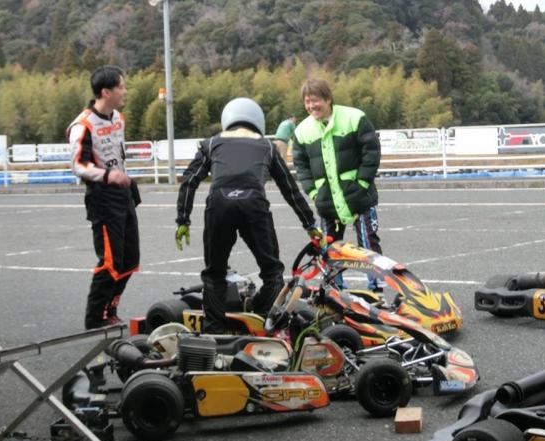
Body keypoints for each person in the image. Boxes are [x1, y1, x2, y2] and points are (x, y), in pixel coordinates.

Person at [175, 97, 323, 334]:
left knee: (214, 274)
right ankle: (260, 315)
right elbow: (290, 190)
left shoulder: (211, 144)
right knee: (273, 273)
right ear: (258, 121)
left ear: (227, 119)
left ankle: (215, 331)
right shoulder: (267, 146)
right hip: (254, 206)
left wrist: (183, 220)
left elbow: (189, 181)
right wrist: (310, 224)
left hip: (219, 206)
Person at [67, 65, 141, 329]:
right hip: (102, 197)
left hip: (123, 194)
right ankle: (94, 319)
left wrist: (124, 180)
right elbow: (78, 165)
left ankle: (110, 309)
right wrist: (108, 175)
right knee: (110, 262)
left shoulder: (118, 117)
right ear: (106, 92)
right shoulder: (83, 125)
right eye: (121, 86)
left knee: (130, 260)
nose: (125, 91)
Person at [292, 78, 383, 291]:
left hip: (359, 196)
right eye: (307, 102)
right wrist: (314, 192)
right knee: (330, 248)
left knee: (368, 245)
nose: (311, 106)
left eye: (315, 100)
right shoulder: (302, 131)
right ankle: (334, 290)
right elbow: (301, 165)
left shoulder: (354, 117)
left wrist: (362, 182)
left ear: (328, 98)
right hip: (326, 201)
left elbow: (371, 150)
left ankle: (376, 290)